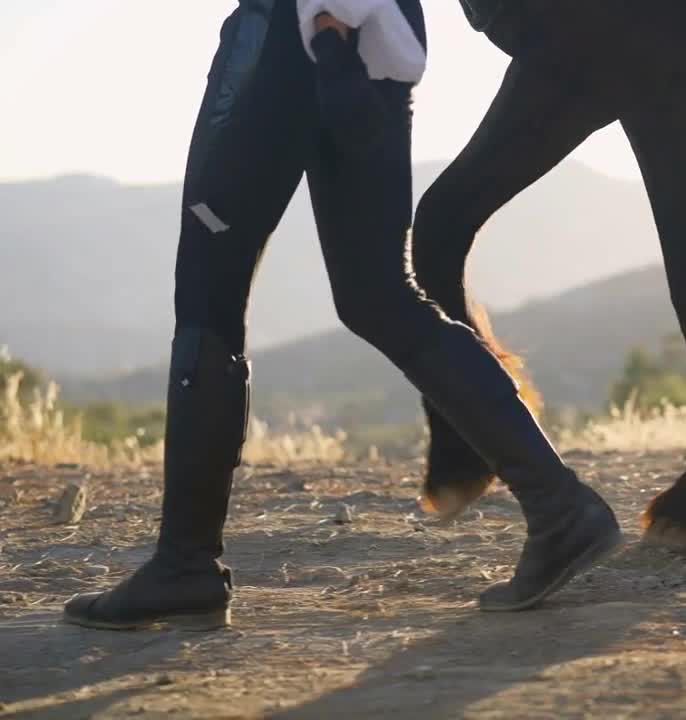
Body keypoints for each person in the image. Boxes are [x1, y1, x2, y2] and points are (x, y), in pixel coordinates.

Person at [63, 0, 621, 631]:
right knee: (379, 295)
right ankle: (560, 506)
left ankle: (184, 565)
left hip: (285, 43)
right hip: (372, 49)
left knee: (207, 297)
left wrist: (325, 25)